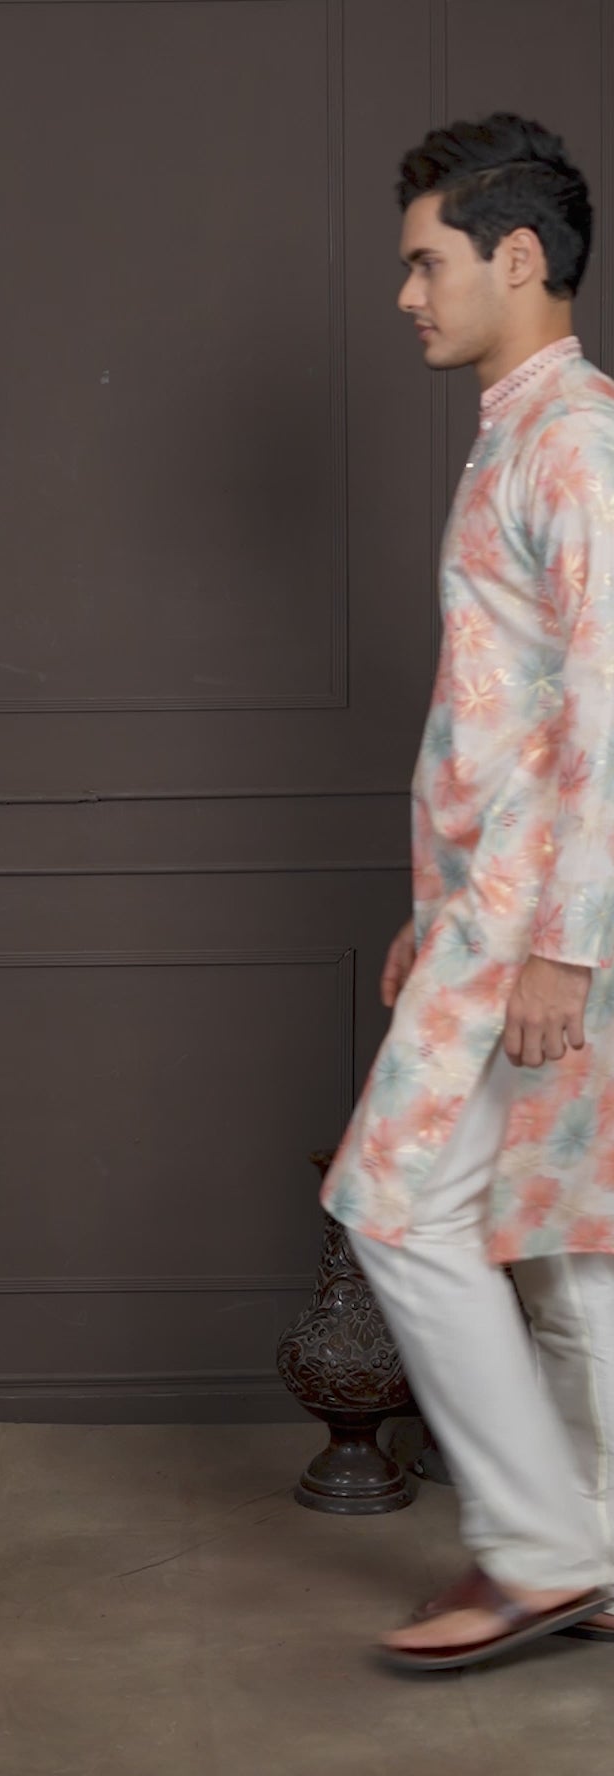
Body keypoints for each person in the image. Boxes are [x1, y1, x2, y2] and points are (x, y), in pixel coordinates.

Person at [320, 112, 614, 1673]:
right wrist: (438, 911)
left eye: (427, 263)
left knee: (399, 1197)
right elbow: (505, 714)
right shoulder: (521, 434)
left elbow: (611, 708)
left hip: (544, 915)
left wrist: (561, 942)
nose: (406, 295)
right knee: (571, 1234)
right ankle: (599, 1549)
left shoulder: (577, 445)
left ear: (517, 257)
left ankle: (543, 1554)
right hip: (502, 906)